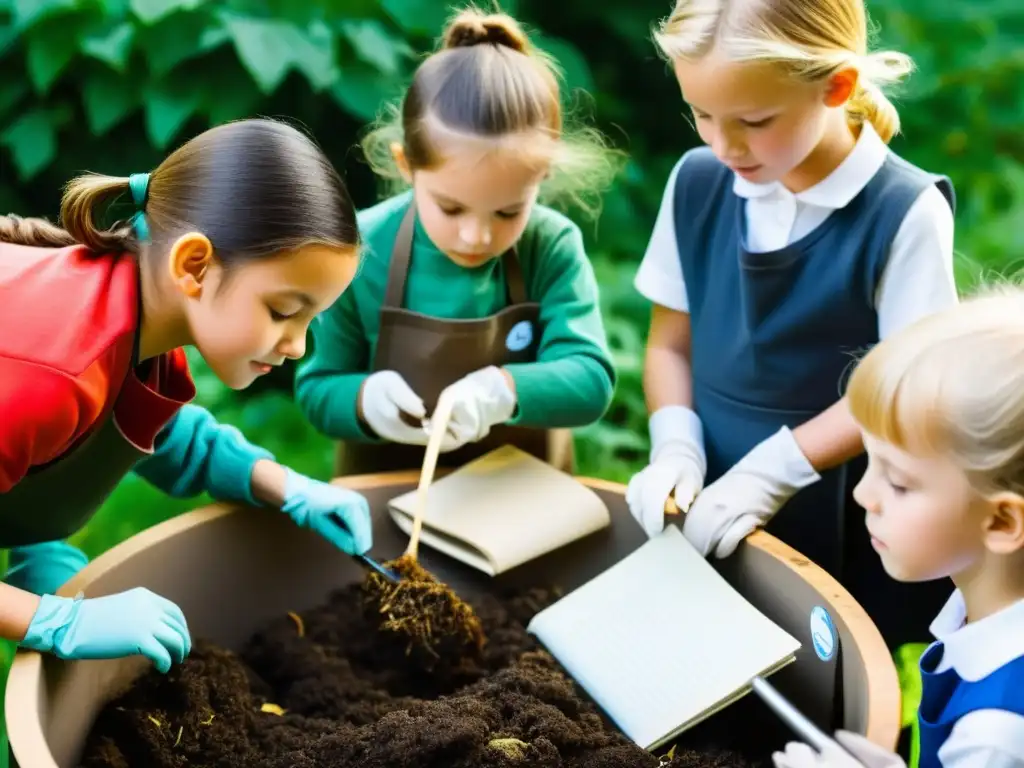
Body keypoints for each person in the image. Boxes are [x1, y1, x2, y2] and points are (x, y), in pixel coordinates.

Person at [624, 0, 958, 649]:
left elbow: (904, 391)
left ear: (836, 87)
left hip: (843, 513)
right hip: (711, 492)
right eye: (702, 116)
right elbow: (669, 345)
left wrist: (775, 469)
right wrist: (675, 443)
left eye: (754, 121)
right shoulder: (697, 182)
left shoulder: (902, 212)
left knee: (831, 691)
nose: (723, 146)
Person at [0, 118, 374, 675]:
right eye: (283, 312)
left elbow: (150, 429)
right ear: (194, 265)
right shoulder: (52, 373)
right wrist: (52, 622)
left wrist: (287, 488)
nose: (297, 346)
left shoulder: (137, 317)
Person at [295, 7, 619, 476]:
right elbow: (317, 389)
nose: (477, 235)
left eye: (508, 211)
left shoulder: (549, 246)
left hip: (518, 495)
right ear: (407, 165)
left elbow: (590, 380)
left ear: (540, 178)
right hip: (387, 496)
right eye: (451, 208)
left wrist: (504, 391)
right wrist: (365, 401)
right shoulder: (361, 250)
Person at [772, 288, 1024, 768]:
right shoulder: (985, 616)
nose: (864, 495)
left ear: (1003, 520)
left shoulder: (997, 733)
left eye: (900, 483)